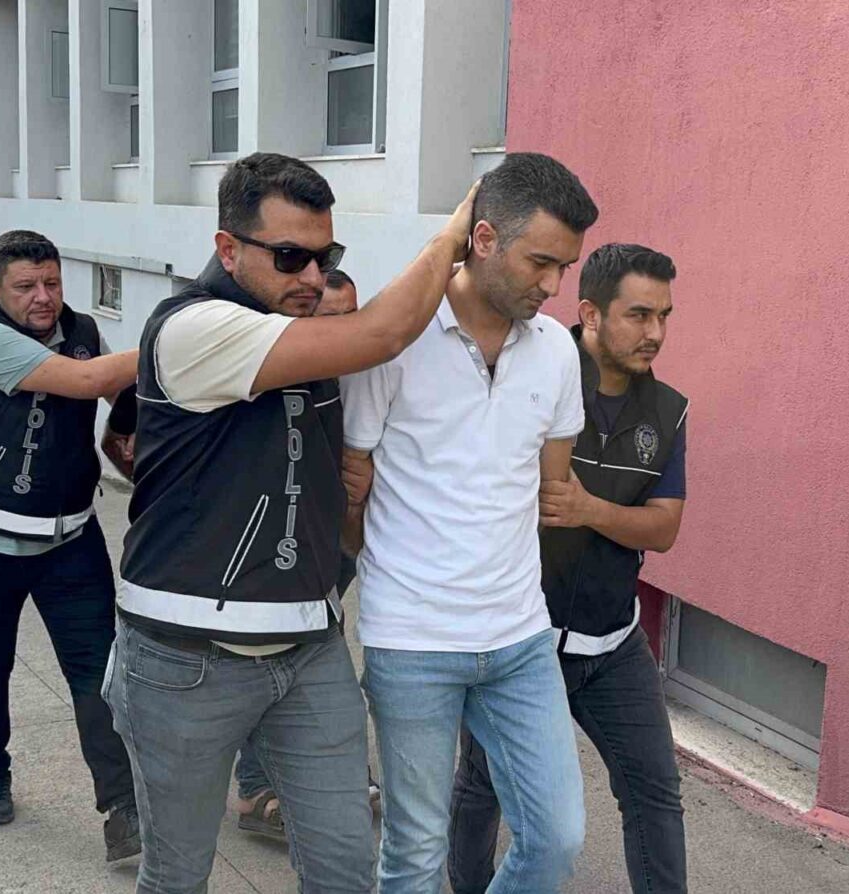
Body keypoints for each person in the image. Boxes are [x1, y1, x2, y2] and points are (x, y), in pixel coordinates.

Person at [104, 152, 477, 894]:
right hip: (185, 657)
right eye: (289, 257)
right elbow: (382, 333)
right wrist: (454, 234)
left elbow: (341, 514)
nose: (312, 276)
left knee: (344, 869)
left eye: (324, 257)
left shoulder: (302, 336)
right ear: (227, 249)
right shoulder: (195, 326)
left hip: (308, 648)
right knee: (177, 875)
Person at [340, 152, 599, 894]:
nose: (553, 286)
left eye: (565, 267)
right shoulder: (394, 337)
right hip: (412, 640)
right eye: (541, 262)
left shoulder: (556, 351)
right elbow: (352, 488)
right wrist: (392, 577)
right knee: (415, 854)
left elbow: (549, 487)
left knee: (556, 838)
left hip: (519, 638)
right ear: (482, 238)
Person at [447, 244, 689, 893]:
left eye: (664, 316)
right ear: (590, 313)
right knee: (484, 785)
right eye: (639, 315)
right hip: (520, 639)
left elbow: (664, 527)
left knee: (654, 792)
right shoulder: (527, 377)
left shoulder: (667, 412)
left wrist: (589, 510)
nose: (655, 332)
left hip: (613, 644)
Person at [0, 230, 142, 860]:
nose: (43, 297)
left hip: (69, 540)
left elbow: (116, 390)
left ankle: (124, 807)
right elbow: (87, 379)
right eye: (25, 287)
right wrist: (173, 340)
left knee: (100, 672)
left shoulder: (82, 329)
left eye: (52, 282)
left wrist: (136, 425)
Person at [232, 267, 375, 843]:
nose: (342, 331)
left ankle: (329, 776)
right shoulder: (277, 373)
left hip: (338, 544)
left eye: (351, 317)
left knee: (311, 663)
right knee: (268, 662)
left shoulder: (365, 376)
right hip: (274, 551)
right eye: (327, 319)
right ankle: (255, 787)